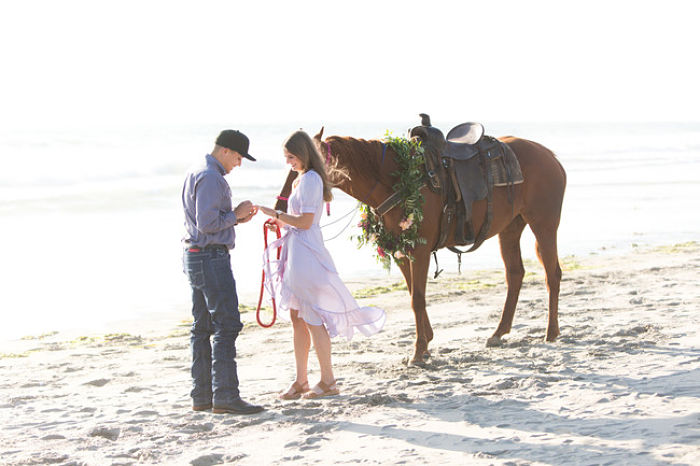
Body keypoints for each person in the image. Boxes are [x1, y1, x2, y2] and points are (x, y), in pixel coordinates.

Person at [257, 130, 386, 400]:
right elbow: (299, 219)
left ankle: (328, 380)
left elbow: (305, 222)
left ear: (303, 154)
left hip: (306, 252)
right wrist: (280, 221)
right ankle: (301, 379)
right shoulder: (302, 179)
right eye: (285, 158)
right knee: (297, 317)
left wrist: (274, 213)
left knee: (312, 316)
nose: (288, 163)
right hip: (297, 249)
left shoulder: (312, 179)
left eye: (291, 157)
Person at [181, 129, 264, 414]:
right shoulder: (212, 177)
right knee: (226, 326)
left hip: (196, 255)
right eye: (238, 157)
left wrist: (235, 220)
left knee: (202, 327)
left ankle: (202, 396)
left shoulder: (198, 171)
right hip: (210, 257)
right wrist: (236, 215)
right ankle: (225, 396)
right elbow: (207, 223)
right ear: (226, 151)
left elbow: (205, 222)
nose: (238, 164)